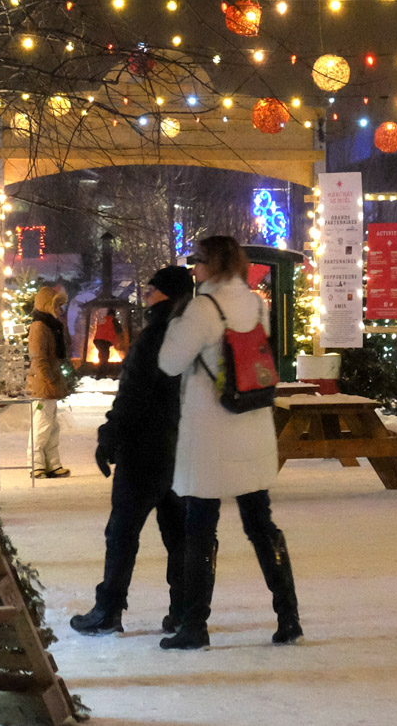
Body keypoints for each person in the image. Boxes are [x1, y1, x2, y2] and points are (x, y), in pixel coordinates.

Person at [157, 236, 302, 650]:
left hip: (211, 435)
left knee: (199, 528)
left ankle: (194, 626)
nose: (193, 269)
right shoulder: (257, 304)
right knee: (261, 524)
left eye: (197, 262)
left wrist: (178, 320)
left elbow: (169, 362)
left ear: (211, 264)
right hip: (252, 428)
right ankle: (288, 617)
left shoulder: (203, 308)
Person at [71, 267, 194, 636]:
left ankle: (109, 608)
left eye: (152, 290)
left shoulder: (156, 334)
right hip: (182, 447)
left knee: (123, 530)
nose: (146, 296)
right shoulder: (192, 335)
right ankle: (184, 608)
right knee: (179, 533)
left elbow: (135, 392)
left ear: (164, 295)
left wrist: (111, 432)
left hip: (145, 448)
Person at [27, 285, 72, 479]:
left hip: (50, 382)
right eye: (56, 306)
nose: (59, 310)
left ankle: (52, 464)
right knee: (42, 425)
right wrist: (47, 380)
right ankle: (36, 464)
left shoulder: (50, 326)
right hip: (44, 385)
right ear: (47, 305)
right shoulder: (40, 327)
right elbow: (39, 358)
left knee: (52, 426)